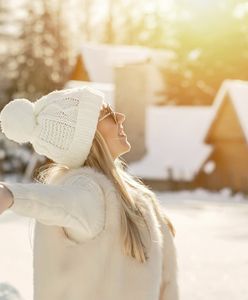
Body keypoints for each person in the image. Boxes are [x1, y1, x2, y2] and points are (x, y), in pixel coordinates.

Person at [0, 87, 179, 300]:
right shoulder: (90, 189)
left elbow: (166, 286)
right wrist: (12, 195)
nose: (120, 117)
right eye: (108, 115)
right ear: (89, 136)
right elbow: (65, 203)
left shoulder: (136, 196)